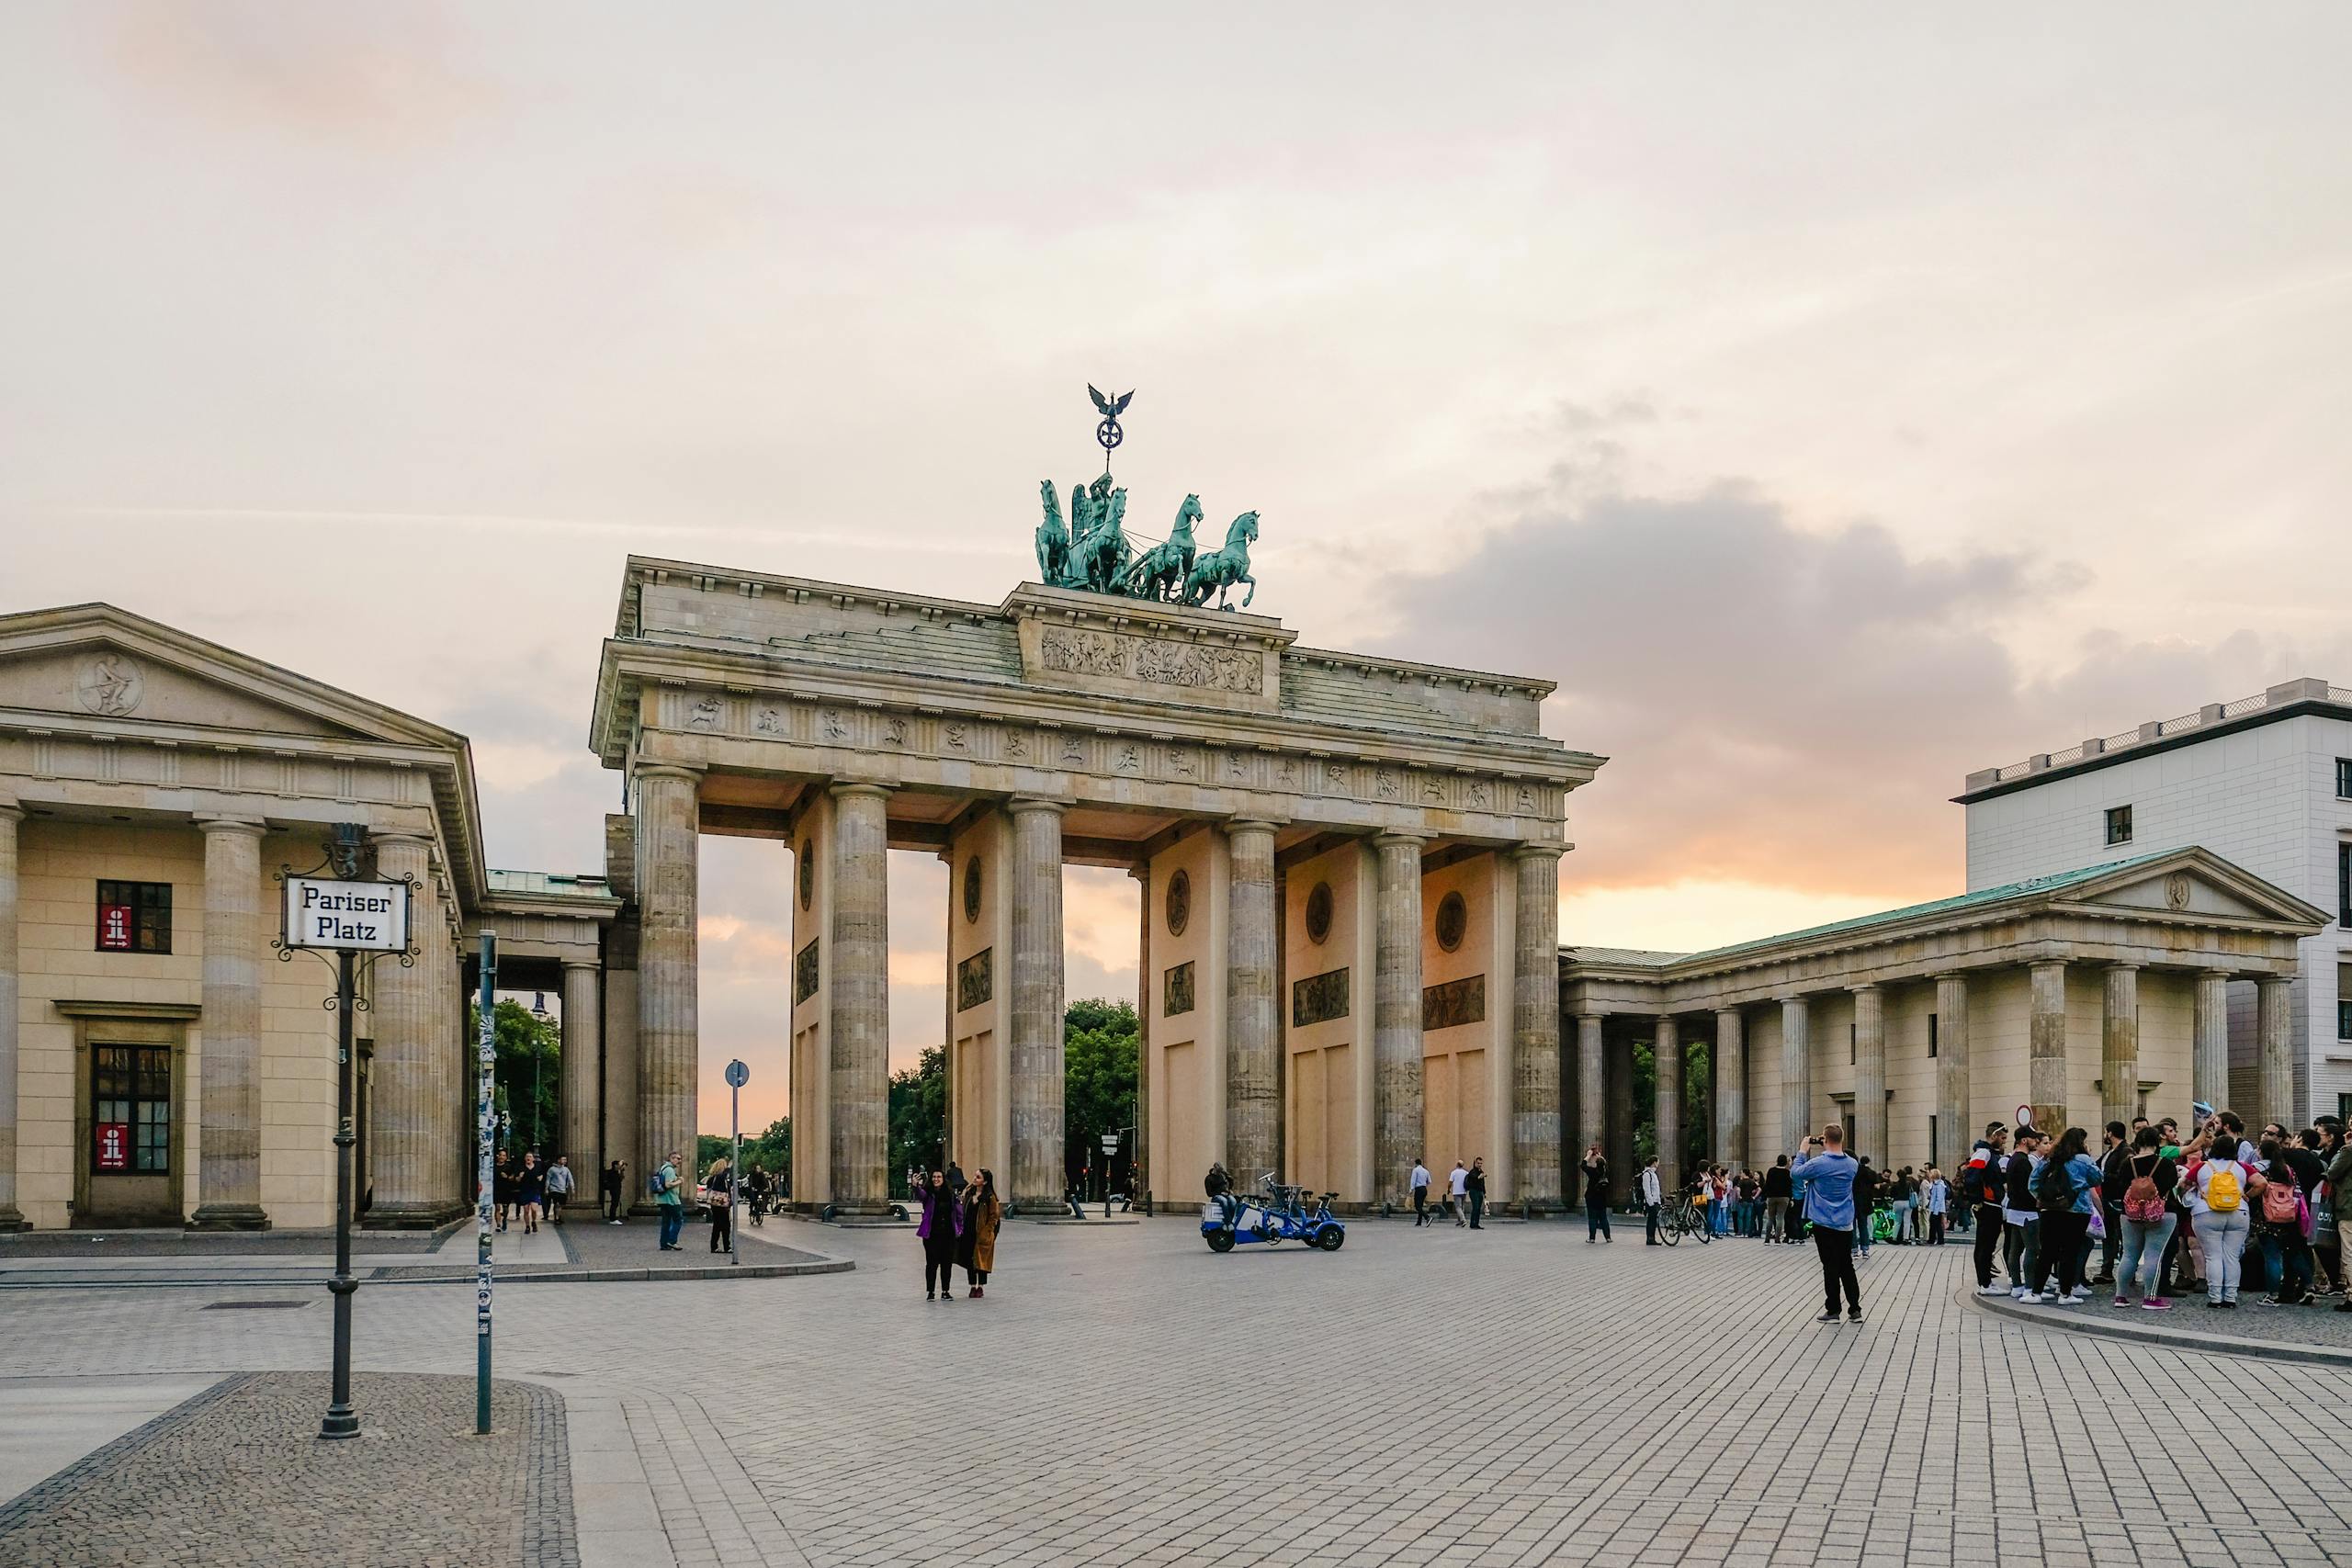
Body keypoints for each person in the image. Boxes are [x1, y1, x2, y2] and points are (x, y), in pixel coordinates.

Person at [2182, 1123, 2257, 1307]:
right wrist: (2247, 1196)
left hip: (2206, 1212)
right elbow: (2261, 1183)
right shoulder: (2241, 1167)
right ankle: (2230, 1297)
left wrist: (2195, 1190)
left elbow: (2183, 1184)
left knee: (2213, 1256)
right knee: (2231, 1256)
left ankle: (2215, 1297)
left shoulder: (2202, 1167)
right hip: (2238, 1211)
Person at [1792, 1126, 1862, 1323]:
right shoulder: (1852, 1164)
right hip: (1845, 1221)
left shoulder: (1819, 1163)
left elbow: (1796, 1174)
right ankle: (1855, 1309)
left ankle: (1833, 1309)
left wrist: (1802, 1150)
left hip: (1823, 1221)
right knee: (1846, 1265)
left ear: (1825, 1139)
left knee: (1830, 1266)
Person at [2025, 1126, 2100, 1305]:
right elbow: (2098, 1178)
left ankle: (2036, 1292)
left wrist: (2045, 1198)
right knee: (2070, 1252)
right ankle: (2065, 1294)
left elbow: (2032, 1183)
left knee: (2047, 1252)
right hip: (2077, 1210)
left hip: (2050, 1211)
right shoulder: (2083, 1159)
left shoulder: (2050, 1158)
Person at [2112, 1126, 2178, 1311]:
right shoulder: (2165, 1163)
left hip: (2130, 1214)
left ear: (2138, 1142)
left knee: (2129, 1254)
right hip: (2161, 1214)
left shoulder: (2127, 1164)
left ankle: (2120, 1296)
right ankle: (2150, 1298)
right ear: (2157, 1143)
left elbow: (2120, 1187)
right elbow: (2172, 1184)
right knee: (2153, 1255)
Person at [2255, 1137, 2312, 1306]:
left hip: (2267, 1217)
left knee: (2272, 1256)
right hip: (2289, 1217)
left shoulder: (2258, 1169)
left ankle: (2273, 1295)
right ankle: (2309, 1286)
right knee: (2294, 1254)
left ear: (2260, 1151)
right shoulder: (2287, 1169)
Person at [1968, 1125, 2009, 1293]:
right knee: (1986, 1245)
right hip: (1988, 1204)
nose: (2004, 1142)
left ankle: (1985, 1282)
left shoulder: (1988, 1154)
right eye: (2003, 1138)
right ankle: (1985, 1283)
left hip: (1990, 1203)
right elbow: (1971, 1177)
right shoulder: (1984, 1153)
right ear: (1994, 1136)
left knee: (1986, 1244)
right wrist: (1978, 1200)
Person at [2005, 1128, 2043, 1301]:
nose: (2036, 1141)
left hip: (2014, 1210)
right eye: (2033, 1139)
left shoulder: (2014, 1159)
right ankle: (2029, 1288)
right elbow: (2028, 1188)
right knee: (2032, 1249)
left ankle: (2017, 1285)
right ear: (2024, 1140)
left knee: (2015, 1249)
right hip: (2027, 1211)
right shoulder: (2023, 1162)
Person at [2092, 1122, 2131, 1285]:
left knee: (2122, 1236)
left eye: (2106, 1132)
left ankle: (2127, 1272)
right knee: (2108, 1236)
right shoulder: (2110, 1152)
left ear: (2110, 1133)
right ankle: (2106, 1270)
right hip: (2107, 1198)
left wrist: (2103, 1176)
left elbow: (2123, 1175)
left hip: (2118, 1198)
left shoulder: (2125, 1151)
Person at [917, 1168, 962, 1300]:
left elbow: (959, 1214)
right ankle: (930, 1291)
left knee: (946, 1264)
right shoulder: (928, 1194)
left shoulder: (951, 1195)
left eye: (939, 1177)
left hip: (948, 1234)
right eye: (934, 1177)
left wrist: (959, 1230)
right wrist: (916, 1186)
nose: (936, 1179)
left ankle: (945, 1291)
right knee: (931, 1264)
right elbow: (920, 1194)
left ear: (943, 1180)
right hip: (932, 1235)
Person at [962, 1168, 1001, 1297]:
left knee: (982, 1260)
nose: (974, 1178)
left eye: (978, 1177)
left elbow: (994, 1217)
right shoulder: (969, 1193)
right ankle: (972, 1286)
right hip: (968, 1231)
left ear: (984, 1182)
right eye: (975, 1176)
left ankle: (981, 1287)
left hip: (982, 1233)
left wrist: (987, 1232)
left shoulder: (990, 1197)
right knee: (970, 1260)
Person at [652, 1150, 685, 1251]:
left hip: (662, 1199)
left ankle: (664, 1244)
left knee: (666, 1222)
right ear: (671, 1158)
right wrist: (679, 1181)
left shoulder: (663, 1168)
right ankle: (672, 1241)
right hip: (671, 1200)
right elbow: (668, 1184)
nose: (679, 1161)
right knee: (678, 1220)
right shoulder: (670, 1170)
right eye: (678, 1159)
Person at [1579, 1146, 1612, 1242]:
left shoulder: (1593, 1171)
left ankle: (1592, 1238)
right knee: (1603, 1217)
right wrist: (1600, 1157)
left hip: (1591, 1197)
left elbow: (1583, 1165)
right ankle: (1608, 1237)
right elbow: (1604, 1164)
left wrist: (1588, 1156)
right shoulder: (1605, 1172)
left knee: (1592, 1217)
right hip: (1602, 1198)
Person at [705, 1155, 734, 1254]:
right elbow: (723, 1177)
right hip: (722, 1205)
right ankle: (727, 1246)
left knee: (717, 1226)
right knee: (726, 1226)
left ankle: (714, 1246)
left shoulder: (711, 1179)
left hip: (714, 1204)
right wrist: (729, 1167)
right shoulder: (720, 1178)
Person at [1763, 1156, 1793, 1243]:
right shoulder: (1787, 1172)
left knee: (1770, 1218)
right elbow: (1789, 1187)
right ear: (1785, 1162)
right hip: (1784, 1197)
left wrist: (1766, 1195)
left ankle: (1767, 1239)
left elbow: (1767, 1184)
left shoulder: (1771, 1171)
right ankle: (1777, 1239)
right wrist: (1790, 1198)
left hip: (1771, 1197)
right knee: (1780, 1218)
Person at [1852, 1157, 1878, 1259]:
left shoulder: (1854, 1172)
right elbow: (1875, 1186)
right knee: (1864, 1225)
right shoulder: (1871, 1173)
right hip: (1866, 1202)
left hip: (1853, 1201)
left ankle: (1854, 1249)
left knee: (1852, 1226)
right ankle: (1865, 1249)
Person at [515, 1152, 546, 1235]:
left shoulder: (537, 1167)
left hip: (534, 1190)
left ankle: (534, 1221)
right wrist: (520, 1177)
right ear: (525, 1159)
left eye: (530, 1157)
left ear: (533, 1159)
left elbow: (542, 1176)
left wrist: (541, 1178)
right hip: (525, 1190)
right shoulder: (521, 1168)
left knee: (534, 1209)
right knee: (526, 1210)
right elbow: (517, 1180)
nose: (528, 1158)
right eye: (527, 1157)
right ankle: (527, 1226)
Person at [1640, 1157, 1664, 1244]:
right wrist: (1650, 1203)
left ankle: (1652, 1238)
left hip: (1656, 1200)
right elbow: (1647, 1190)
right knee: (1651, 1220)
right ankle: (1650, 1238)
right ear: (1654, 1163)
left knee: (1653, 1220)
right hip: (1651, 1201)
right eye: (1657, 1162)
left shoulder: (1653, 1173)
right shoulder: (1647, 1174)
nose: (1658, 1164)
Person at [545, 1155, 575, 1224]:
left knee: (560, 1205)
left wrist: (572, 1188)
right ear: (558, 1160)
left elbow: (570, 1178)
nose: (565, 1161)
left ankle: (558, 1216)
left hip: (563, 1189)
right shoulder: (552, 1169)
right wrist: (546, 1189)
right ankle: (557, 1218)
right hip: (554, 1189)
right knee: (557, 1203)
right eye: (563, 1159)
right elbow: (548, 1180)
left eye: (565, 1160)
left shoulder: (566, 1169)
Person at [493, 1151, 515, 1233]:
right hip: (496, 1189)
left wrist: (507, 1177)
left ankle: (505, 1219)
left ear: (506, 1158)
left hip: (506, 1189)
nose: (501, 1157)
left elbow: (512, 1177)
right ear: (497, 1156)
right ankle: (498, 1225)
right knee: (497, 1207)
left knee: (505, 1208)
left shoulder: (509, 1167)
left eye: (503, 1155)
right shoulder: (493, 1167)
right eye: (500, 1155)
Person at [1926, 1168, 1948, 1245]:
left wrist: (1935, 1210)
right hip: (1934, 1207)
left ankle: (1935, 1239)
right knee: (1935, 1224)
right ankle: (1936, 1239)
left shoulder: (1939, 1185)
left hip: (1937, 1208)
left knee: (1936, 1224)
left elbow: (1939, 1198)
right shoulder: (1934, 1184)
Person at [602, 1159, 628, 1224]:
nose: (619, 1166)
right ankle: (612, 1218)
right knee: (614, 1203)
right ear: (615, 1165)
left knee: (615, 1203)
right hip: (613, 1189)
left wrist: (622, 1171)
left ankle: (613, 1218)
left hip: (617, 1189)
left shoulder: (617, 1172)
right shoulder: (611, 1172)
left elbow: (621, 1178)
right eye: (618, 1165)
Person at [1465, 1157, 1487, 1229]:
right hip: (1474, 1191)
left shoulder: (1481, 1171)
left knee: (1478, 1208)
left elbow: (1482, 1183)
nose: (1480, 1165)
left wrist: (1484, 1192)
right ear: (1475, 1163)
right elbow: (1474, 1179)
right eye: (1478, 1163)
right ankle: (1472, 1224)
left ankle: (1476, 1223)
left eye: (1481, 1163)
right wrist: (1479, 1177)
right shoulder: (1472, 1172)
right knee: (1475, 1207)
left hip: (1480, 1191)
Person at [1411, 1158, 1431, 1227]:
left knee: (1417, 1206)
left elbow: (1413, 1180)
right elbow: (1429, 1181)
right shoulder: (1426, 1171)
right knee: (1421, 1206)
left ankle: (1427, 1217)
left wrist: (1411, 1189)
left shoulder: (1415, 1170)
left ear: (1416, 1164)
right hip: (1424, 1189)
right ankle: (1419, 1222)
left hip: (1418, 1189)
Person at [1448, 1160, 1469, 1227]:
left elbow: (1450, 1182)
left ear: (1457, 1165)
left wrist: (1448, 1189)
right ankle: (1460, 1221)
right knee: (1462, 1207)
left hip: (1457, 1192)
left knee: (1458, 1207)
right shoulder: (1466, 1172)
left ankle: (1463, 1220)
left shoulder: (1454, 1172)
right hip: (1464, 1191)